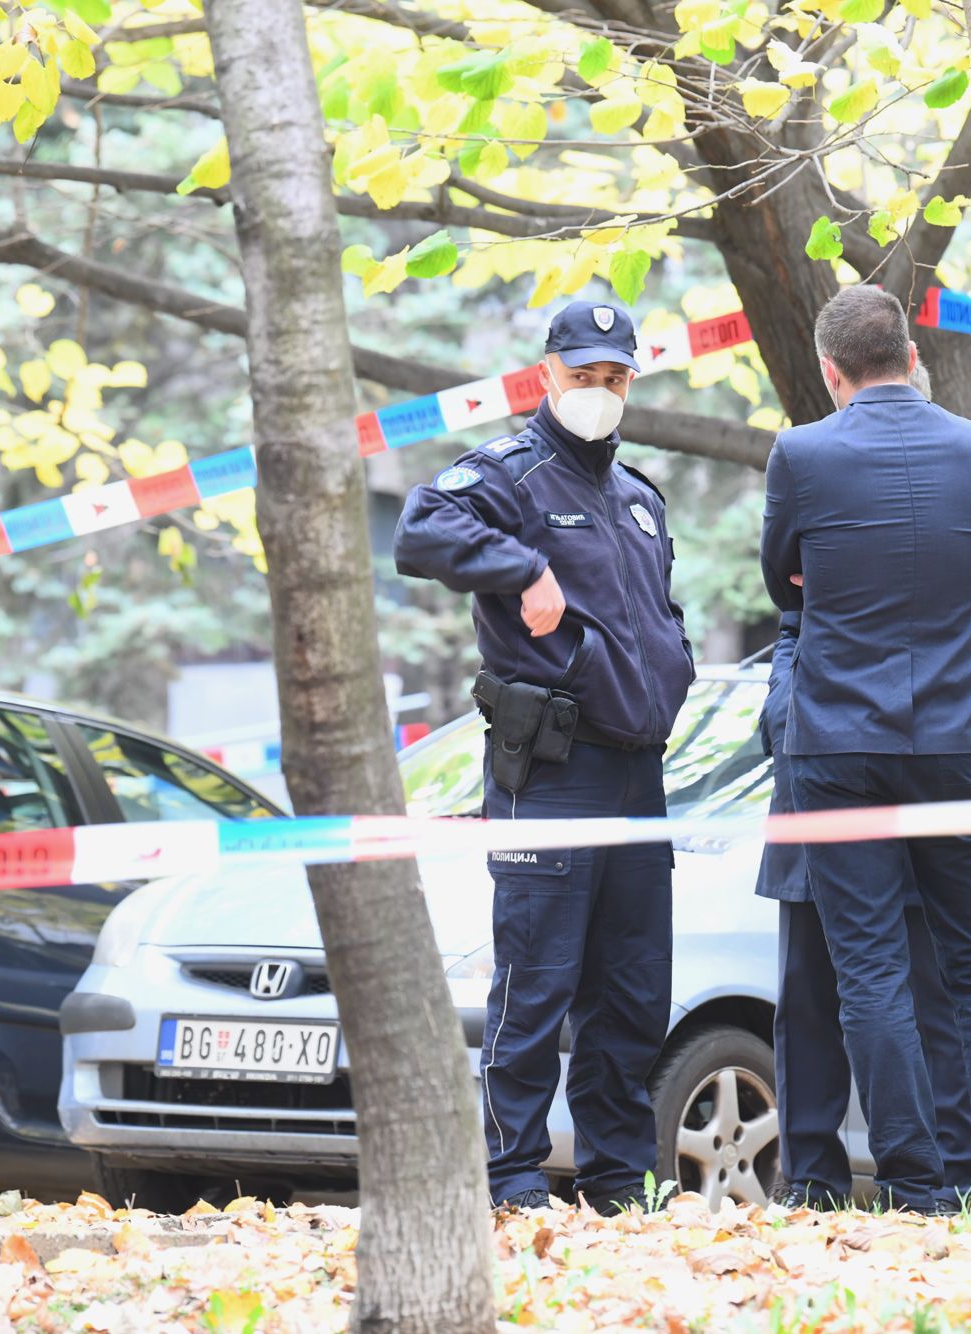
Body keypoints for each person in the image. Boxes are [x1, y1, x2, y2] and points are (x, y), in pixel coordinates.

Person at [393, 298, 696, 1213]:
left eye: (614, 378)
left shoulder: (639, 498)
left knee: (634, 991)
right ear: (547, 376)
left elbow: (658, 618)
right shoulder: (512, 476)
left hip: (638, 774)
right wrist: (524, 568)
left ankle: (617, 1176)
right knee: (537, 982)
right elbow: (418, 530)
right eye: (582, 376)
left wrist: (673, 664)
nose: (597, 393)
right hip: (556, 771)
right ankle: (512, 1174)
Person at [759, 286, 971, 1216]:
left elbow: (784, 580)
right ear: (915, 357)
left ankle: (915, 1185)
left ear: (830, 371)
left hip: (838, 745)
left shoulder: (801, 453)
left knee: (870, 969)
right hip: (955, 741)